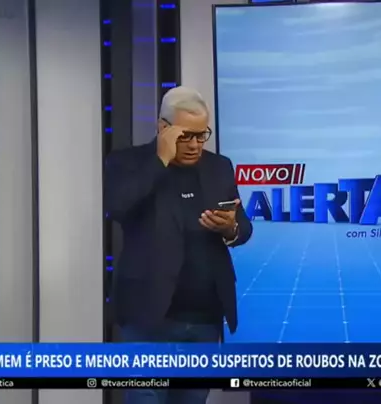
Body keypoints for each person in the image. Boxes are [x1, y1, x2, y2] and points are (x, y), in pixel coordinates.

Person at [104, 87, 252, 404]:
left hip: (204, 318)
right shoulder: (127, 162)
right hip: (148, 318)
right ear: (163, 128)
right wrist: (161, 159)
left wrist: (230, 227)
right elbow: (117, 206)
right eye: (186, 136)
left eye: (202, 135)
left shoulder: (219, 166)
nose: (196, 145)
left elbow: (243, 227)